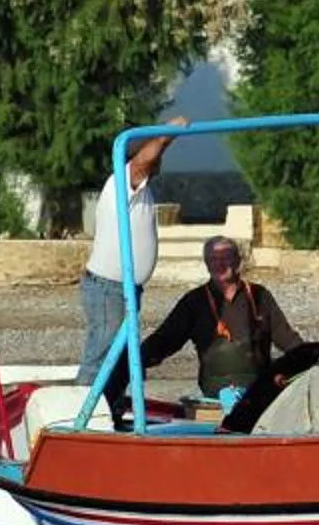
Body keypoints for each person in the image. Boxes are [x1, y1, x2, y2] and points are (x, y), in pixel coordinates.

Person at [78, 116, 183, 390]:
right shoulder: (124, 178)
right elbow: (141, 162)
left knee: (122, 359)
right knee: (102, 355)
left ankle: (111, 411)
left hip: (124, 288)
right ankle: (78, 415)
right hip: (108, 288)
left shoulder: (140, 188)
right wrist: (164, 136)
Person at [140, 235, 303, 408]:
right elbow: (165, 340)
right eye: (213, 259)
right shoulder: (194, 301)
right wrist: (135, 359)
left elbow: (287, 338)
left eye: (226, 257)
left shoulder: (259, 295)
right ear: (206, 263)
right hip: (214, 398)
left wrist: (314, 357)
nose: (220, 264)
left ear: (238, 260)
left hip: (257, 393)